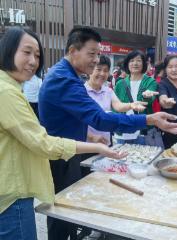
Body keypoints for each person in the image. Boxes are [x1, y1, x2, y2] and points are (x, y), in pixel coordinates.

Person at [38, 27, 177, 240]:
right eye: (91, 54)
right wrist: (148, 119)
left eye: (98, 54)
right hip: (60, 159)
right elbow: (100, 119)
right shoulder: (64, 80)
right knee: (60, 213)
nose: (96, 61)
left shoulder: (68, 75)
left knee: (65, 211)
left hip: (67, 153)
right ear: (72, 50)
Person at [0, 27, 126, 240]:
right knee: (60, 218)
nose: (33, 61)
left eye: (37, 55)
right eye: (27, 52)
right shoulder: (8, 92)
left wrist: (92, 139)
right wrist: (97, 146)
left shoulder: (12, 87)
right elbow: (43, 142)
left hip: (20, 184)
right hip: (14, 192)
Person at [85, 55, 147, 146]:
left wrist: (131, 105)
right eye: (98, 69)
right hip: (86, 145)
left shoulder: (108, 91)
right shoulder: (81, 91)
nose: (102, 73)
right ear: (90, 71)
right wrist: (91, 137)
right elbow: (75, 121)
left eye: (105, 71)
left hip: (105, 143)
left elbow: (118, 106)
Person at [114, 50, 159, 145]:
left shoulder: (150, 82)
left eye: (138, 60)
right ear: (127, 64)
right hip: (123, 131)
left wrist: (147, 96)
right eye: (131, 61)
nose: (135, 63)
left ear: (144, 64)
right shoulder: (120, 84)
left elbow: (150, 100)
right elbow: (115, 106)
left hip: (143, 132)